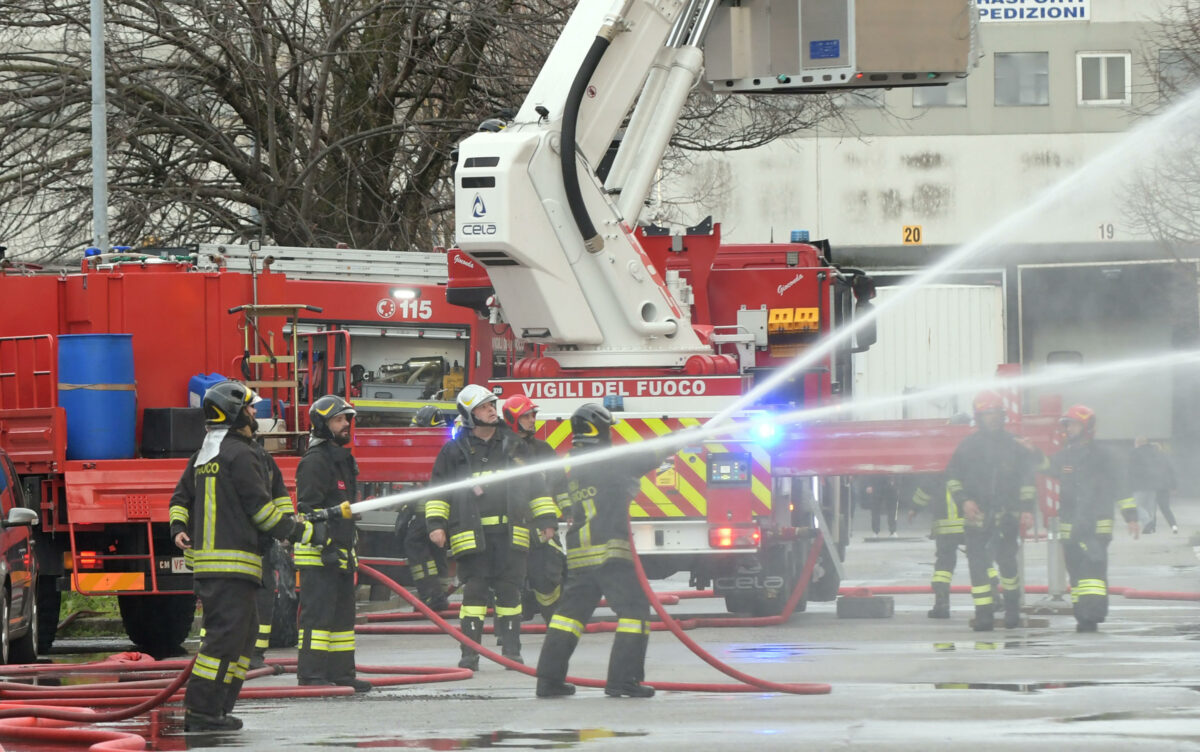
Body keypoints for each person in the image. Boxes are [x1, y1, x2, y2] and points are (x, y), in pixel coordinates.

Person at [169, 380, 320, 731]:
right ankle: (202, 712)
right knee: (225, 639)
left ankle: (217, 708)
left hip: (225, 566)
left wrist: (178, 529)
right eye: (251, 408)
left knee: (242, 639)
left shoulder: (206, 453)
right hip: (230, 565)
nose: (256, 414)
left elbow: (180, 499)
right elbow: (261, 510)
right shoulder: (241, 453)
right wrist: (299, 531)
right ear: (235, 412)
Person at [425, 385, 558, 668]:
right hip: (470, 535)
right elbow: (438, 491)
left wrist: (547, 519)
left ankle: (511, 652)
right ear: (469, 414)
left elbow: (536, 486)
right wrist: (436, 524)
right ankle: (469, 654)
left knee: (511, 593)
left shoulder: (515, 446)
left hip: (511, 533)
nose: (491, 410)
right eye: (484, 407)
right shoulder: (454, 451)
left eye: (492, 405)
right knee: (474, 594)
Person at [535, 403, 662, 699]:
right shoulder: (606, 458)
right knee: (634, 612)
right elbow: (646, 457)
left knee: (568, 618)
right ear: (597, 430)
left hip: (581, 553)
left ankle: (548, 681)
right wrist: (684, 439)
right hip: (609, 552)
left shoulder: (574, 462)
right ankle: (623, 681)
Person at [293, 394, 372, 692]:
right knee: (317, 618)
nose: (345, 425)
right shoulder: (315, 462)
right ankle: (311, 674)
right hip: (319, 557)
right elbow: (307, 510)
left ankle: (342, 673)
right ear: (322, 424)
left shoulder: (342, 460)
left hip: (341, 555)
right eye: (339, 420)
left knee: (342, 619)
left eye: (346, 420)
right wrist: (326, 545)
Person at [944, 391, 1040, 632]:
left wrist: (1027, 510)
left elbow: (1027, 480)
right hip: (978, 515)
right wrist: (964, 501)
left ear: (1004, 415)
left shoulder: (1015, 444)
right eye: (988, 414)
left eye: (997, 413)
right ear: (979, 417)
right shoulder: (968, 446)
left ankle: (1011, 611)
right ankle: (984, 615)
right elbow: (952, 477)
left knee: (1008, 565)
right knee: (977, 567)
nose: (994, 419)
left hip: (1007, 515)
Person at [1048, 405, 1140, 632]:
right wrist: (1029, 452)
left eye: (1074, 424)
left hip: (1097, 524)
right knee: (1076, 572)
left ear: (1087, 426)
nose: (1069, 429)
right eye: (1067, 424)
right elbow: (1045, 467)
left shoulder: (1103, 456)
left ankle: (1093, 615)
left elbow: (1121, 487)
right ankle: (1083, 616)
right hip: (1070, 526)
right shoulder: (1064, 456)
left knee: (1093, 571)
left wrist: (1131, 516)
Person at [502, 395, 569, 622]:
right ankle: (511, 628)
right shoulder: (500, 450)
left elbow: (560, 484)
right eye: (526, 416)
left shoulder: (543, 450)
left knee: (549, 575)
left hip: (541, 526)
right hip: (512, 526)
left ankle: (555, 622)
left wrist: (568, 511)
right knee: (510, 579)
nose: (532, 420)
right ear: (512, 419)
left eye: (533, 415)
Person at [910, 474, 1003, 620]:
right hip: (970, 524)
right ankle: (994, 598)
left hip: (945, 530)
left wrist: (914, 509)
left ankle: (942, 605)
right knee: (982, 560)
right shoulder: (969, 471)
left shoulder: (936, 474)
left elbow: (923, 493)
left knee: (943, 567)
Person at [396, 405, 453, 611]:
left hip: (428, 508)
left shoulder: (436, 445)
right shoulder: (447, 443)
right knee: (437, 549)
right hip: (440, 509)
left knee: (415, 544)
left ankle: (432, 594)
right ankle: (439, 594)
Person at [1128, 437, 1178, 535]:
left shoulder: (1137, 453)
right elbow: (1170, 471)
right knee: (1160, 508)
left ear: (1138, 443)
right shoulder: (1160, 456)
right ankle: (1173, 526)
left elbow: (1132, 470)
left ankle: (1149, 523)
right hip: (1158, 485)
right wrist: (1173, 485)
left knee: (1139, 505)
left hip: (1144, 484)